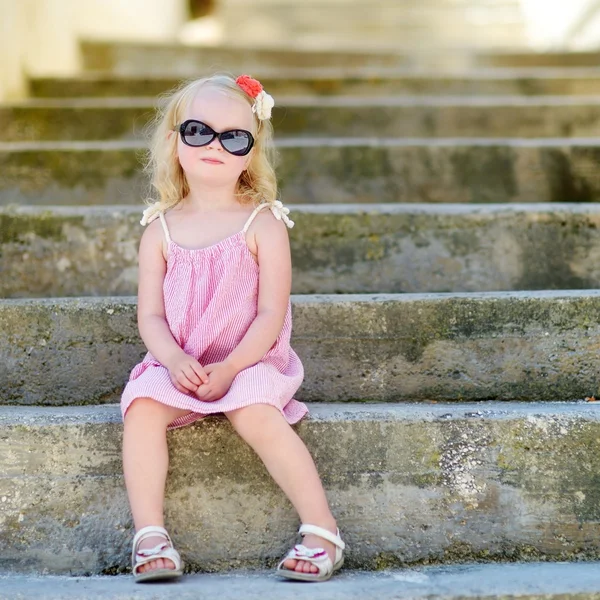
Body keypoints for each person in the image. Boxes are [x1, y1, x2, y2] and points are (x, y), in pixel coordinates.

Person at [120, 73, 345, 584]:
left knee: (254, 410)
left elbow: (271, 314)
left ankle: (321, 530)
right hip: (180, 360)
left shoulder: (262, 223)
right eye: (198, 131)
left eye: (233, 137)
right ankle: (149, 533)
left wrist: (233, 366)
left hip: (252, 359)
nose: (214, 145)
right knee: (142, 406)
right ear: (174, 139)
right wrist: (174, 359)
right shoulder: (160, 229)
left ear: (251, 151)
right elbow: (150, 316)